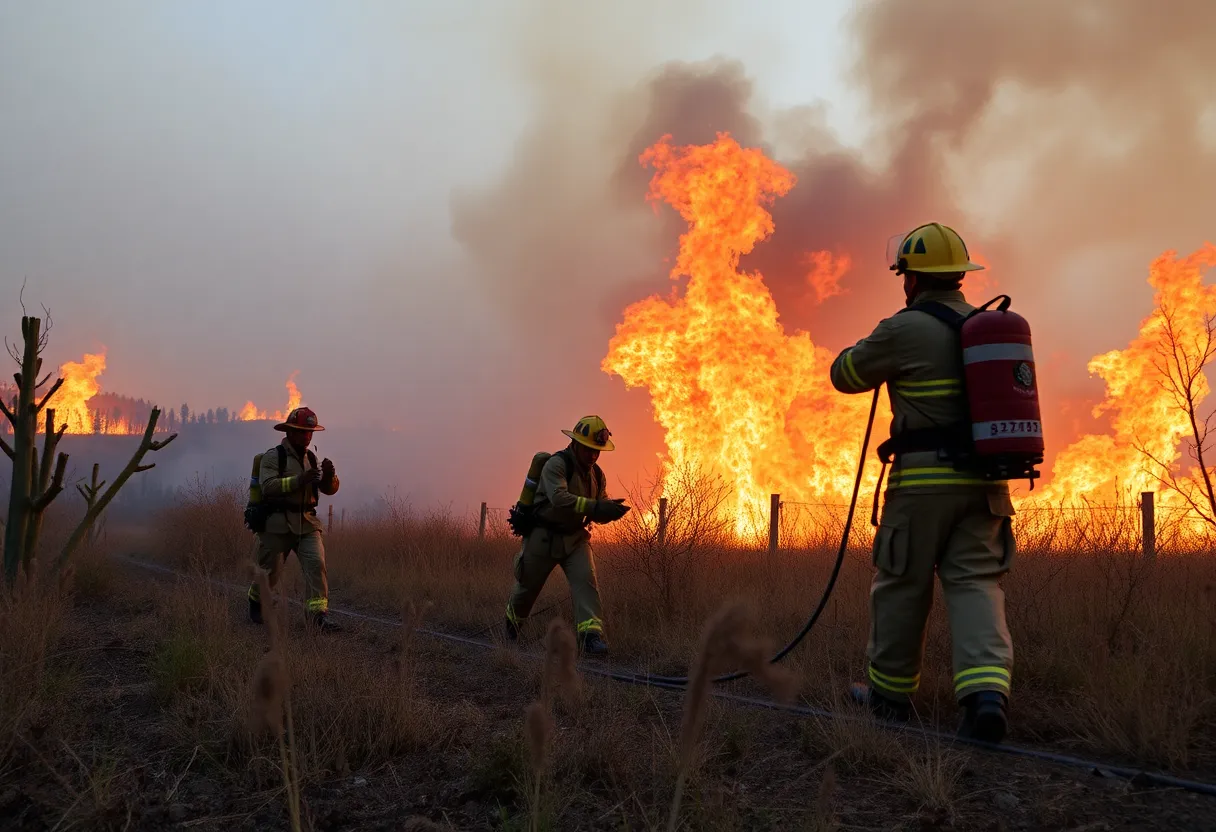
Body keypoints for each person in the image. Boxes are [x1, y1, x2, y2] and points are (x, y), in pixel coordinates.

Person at [829, 222, 1015, 743]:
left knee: (902, 585)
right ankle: (985, 698)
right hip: (985, 488)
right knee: (977, 585)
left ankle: (889, 699)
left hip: (922, 487)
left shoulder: (903, 328)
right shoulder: (984, 327)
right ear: (959, 275)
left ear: (911, 277)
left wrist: (866, 348)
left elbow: (845, 374)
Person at [504, 415, 630, 655]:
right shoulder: (557, 465)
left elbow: (599, 502)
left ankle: (590, 637)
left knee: (586, 582)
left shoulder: (597, 474)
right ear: (575, 443)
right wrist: (594, 507)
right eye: (589, 448)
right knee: (527, 589)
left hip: (575, 539)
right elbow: (559, 499)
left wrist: (609, 510)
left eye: (597, 450)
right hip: (544, 537)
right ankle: (511, 626)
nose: (594, 454)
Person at [247, 406, 342, 632]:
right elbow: (268, 487)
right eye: (301, 431)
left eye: (310, 432)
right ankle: (256, 602)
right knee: (270, 572)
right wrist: (300, 480)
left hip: (307, 524)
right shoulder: (273, 457)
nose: (307, 437)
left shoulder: (311, 458)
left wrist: (330, 477)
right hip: (277, 524)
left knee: (316, 564)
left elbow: (329, 490)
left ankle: (317, 618)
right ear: (289, 432)